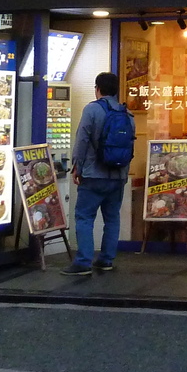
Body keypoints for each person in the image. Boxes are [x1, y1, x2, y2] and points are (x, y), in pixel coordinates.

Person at [62, 72, 135, 279]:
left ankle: (83, 261)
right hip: (118, 176)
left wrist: (77, 167)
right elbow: (130, 146)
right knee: (112, 218)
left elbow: (82, 140)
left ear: (97, 89)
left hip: (94, 175)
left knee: (84, 217)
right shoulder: (127, 114)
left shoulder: (92, 110)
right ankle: (106, 260)